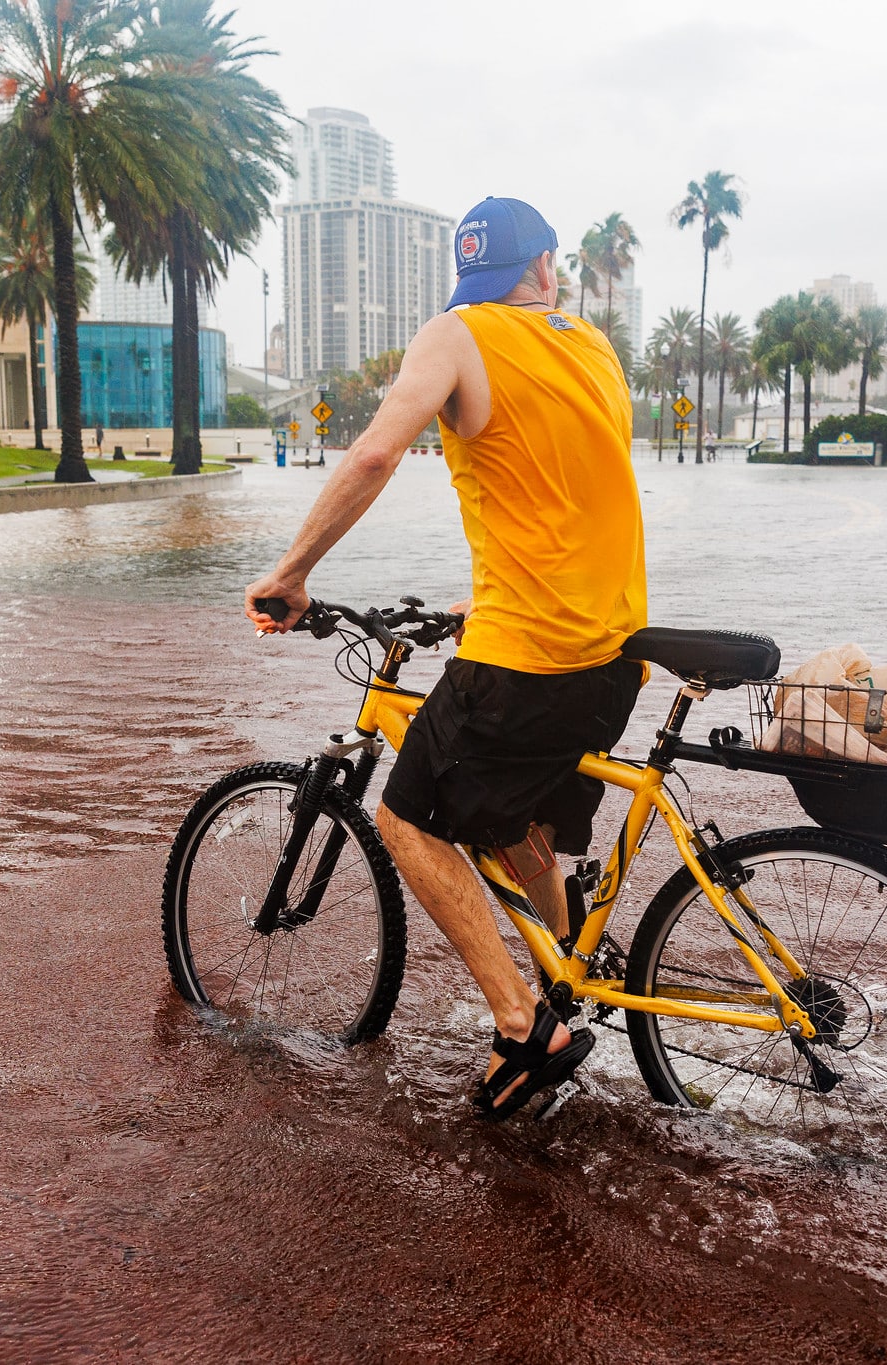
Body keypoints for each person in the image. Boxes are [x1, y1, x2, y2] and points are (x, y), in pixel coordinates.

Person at [245, 197, 647, 1120]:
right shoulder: (592, 347)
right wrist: (489, 590)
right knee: (507, 817)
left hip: (530, 655)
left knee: (408, 822)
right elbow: (573, 488)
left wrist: (292, 572)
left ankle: (521, 1025)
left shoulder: (457, 334)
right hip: (615, 646)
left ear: (475, 281)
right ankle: (572, 972)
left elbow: (379, 454)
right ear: (547, 270)